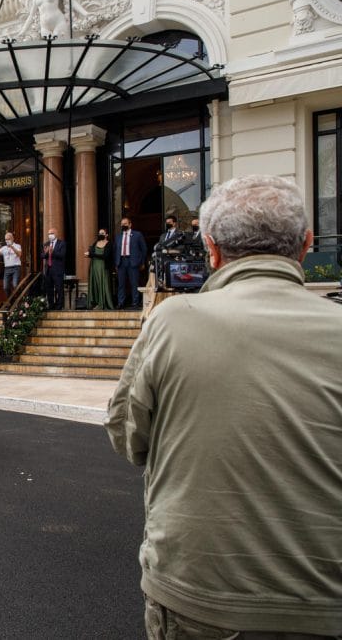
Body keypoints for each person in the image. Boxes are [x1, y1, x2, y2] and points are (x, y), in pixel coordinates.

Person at [106, 174, 342, 637]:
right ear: (305, 245)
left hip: (198, 595)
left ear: (210, 249)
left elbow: (126, 436)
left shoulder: (171, 321)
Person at [114, 216, 146, 309]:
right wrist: (116, 263)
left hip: (133, 262)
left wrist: (142, 262)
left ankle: (135, 303)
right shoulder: (118, 236)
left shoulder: (137, 235)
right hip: (121, 262)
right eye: (122, 224)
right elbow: (115, 250)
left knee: (134, 283)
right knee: (121, 284)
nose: (123, 225)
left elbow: (143, 249)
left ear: (130, 224)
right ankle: (121, 303)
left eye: (125, 223)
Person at [84, 228, 115, 309]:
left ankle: (103, 304)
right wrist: (88, 254)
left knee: (104, 284)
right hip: (94, 266)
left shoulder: (109, 244)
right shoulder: (95, 243)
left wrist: (92, 254)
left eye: (102, 233)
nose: (100, 234)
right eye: (99, 233)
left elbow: (106, 256)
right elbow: (91, 253)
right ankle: (95, 303)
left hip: (103, 267)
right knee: (96, 284)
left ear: (106, 235)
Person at [40, 228, 66, 309]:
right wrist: (47, 252)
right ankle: (51, 305)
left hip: (57, 270)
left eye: (52, 233)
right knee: (49, 288)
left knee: (59, 288)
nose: (50, 235)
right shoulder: (46, 244)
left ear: (56, 234)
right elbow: (42, 256)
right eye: (49, 233)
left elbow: (62, 255)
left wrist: (53, 251)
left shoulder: (62, 243)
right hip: (48, 270)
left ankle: (59, 305)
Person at [0, 232, 23, 298]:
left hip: (16, 267)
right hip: (7, 268)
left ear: (12, 239)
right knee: (6, 287)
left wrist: (12, 247)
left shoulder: (17, 246)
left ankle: (20, 300)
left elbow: (19, 254)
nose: (7, 240)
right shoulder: (4, 248)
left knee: (15, 285)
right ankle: (12, 301)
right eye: (6, 239)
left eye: (9, 239)